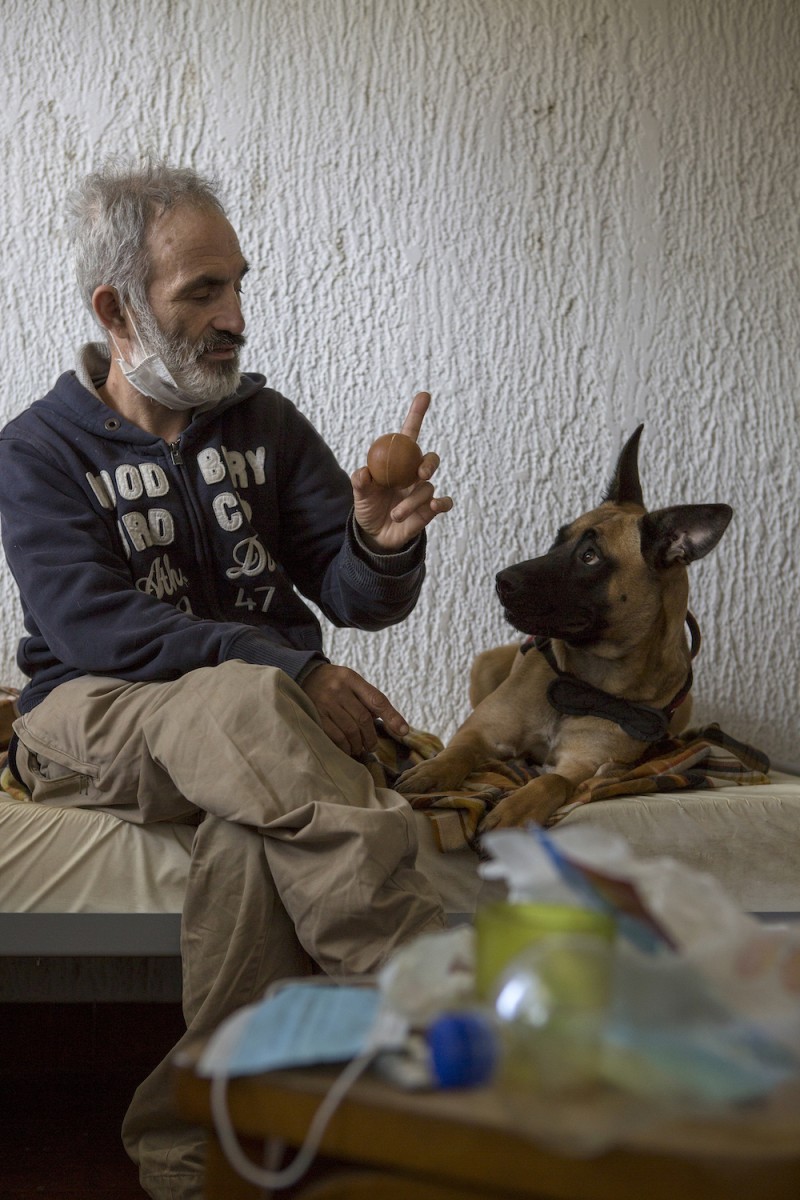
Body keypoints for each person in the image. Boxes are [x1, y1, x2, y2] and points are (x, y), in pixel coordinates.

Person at [0, 157, 456, 1200]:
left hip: (250, 735)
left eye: (237, 285)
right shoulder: (35, 450)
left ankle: (194, 1150)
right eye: (201, 291)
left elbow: (354, 597)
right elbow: (92, 624)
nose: (235, 316)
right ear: (116, 307)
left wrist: (380, 543)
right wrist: (281, 662)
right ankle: (422, 991)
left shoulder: (265, 423)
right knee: (251, 699)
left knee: (252, 841)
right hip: (91, 710)